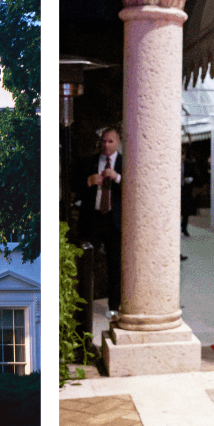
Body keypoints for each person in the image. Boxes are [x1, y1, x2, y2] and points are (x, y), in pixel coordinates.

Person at [72, 126, 124, 303]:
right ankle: (84, 306)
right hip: (92, 219)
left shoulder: (125, 163)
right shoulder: (90, 162)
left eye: (111, 141)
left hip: (114, 220)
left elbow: (134, 189)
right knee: (86, 264)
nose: (106, 145)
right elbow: (74, 187)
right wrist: (88, 181)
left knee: (115, 265)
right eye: (104, 140)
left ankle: (113, 307)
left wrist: (117, 177)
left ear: (118, 143)